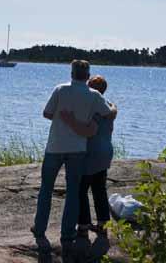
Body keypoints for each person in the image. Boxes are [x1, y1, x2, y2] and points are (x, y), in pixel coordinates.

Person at [31, 60, 117, 260]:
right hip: (77, 150)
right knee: (73, 193)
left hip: (55, 147)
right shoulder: (94, 96)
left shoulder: (60, 90)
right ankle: (67, 234)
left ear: (71, 73)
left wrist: (64, 120)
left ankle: (40, 228)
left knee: (46, 189)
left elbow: (47, 113)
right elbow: (108, 114)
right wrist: (113, 107)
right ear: (87, 76)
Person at [60, 75, 116, 238]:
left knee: (81, 190)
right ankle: (103, 224)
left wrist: (69, 120)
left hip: (90, 153)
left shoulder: (91, 108)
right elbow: (113, 111)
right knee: (99, 189)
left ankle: (83, 225)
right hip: (105, 152)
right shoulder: (108, 107)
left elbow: (86, 130)